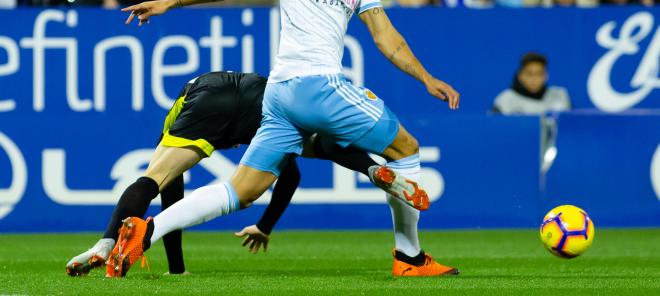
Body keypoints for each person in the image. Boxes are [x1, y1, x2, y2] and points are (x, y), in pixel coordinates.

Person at [114, 0, 460, 278]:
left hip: (278, 96)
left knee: (241, 191)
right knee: (407, 147)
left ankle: (148, 230)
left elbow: (385, 36)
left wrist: (424, 76)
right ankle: (410, 258)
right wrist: (172, 2)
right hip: (317, 85)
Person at [65, 71, 429, 277]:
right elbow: (291, 178)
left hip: (205, 93)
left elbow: (169, 193)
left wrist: (177, 269)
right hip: (264, 98)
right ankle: (369, 167)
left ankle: (105, 243)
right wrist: (266, 225)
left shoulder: (183, 104)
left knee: (156, 178)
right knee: (315, 142)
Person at [492, 52, 571, 115]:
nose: (534, 79)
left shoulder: (560, 95)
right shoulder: (505, 100)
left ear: (546, 76)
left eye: (539, 73)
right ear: (520, 75)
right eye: (529, 74)